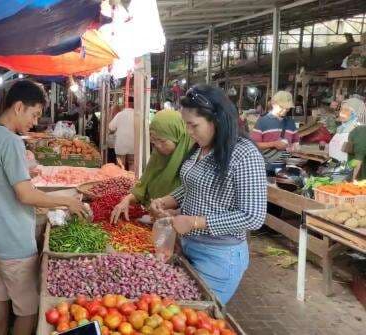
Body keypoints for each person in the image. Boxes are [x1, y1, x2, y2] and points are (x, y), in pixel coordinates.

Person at [0, 80, 86, 335]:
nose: (35, 122)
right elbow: (25, 195)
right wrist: (67, 200)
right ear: (18, 107)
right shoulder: (12, 141)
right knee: (27, 310)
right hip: (13, 239)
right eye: (34, 114)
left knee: (0, 295)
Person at [151, 85, 267, 304]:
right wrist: (168, 199)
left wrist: (195, 222)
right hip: (188, 247)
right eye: (186, 124)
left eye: (193, 125)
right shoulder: (202, 148)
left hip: (219, 256)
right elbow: (193, 185)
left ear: (216, 119)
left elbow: (253, 216)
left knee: (198, 315)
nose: (188, 131)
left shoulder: (244, 154)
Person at [110, 110, 194, 223]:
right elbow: (142, 187)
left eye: (163, 141)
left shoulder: (193, 162)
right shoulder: (158, 156)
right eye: (154, 141)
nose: (158, 146)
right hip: (151, 220)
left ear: (178, 136)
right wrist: (128, 199)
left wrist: (173, 213)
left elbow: (192, 203)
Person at [250, 90, 299, 175]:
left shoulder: (291, 122)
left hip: (284, 168)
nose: (285, 110)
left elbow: (296, 142)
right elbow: (254, 145)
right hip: (265, 169)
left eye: (287, 108)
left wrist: (294, 147)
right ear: (273, 104)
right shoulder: (262, 121)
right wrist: (274, 144)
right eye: (282, 107)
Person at [329, 98, 366, 162]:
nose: (341, 113)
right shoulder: (342, 128)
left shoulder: (359, 130)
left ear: (355, 112)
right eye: (341, 109)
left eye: (346, 110)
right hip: (336, 165)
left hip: (348, 167)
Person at [109, 96, 135, 171]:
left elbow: (111, 127)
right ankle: (131, 181)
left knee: (120, 166)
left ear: (125, 104)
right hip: (133, 145)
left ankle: (121, 181)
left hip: (121, 144)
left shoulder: (120, 115)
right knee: (132, 165)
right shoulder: (138, 115)